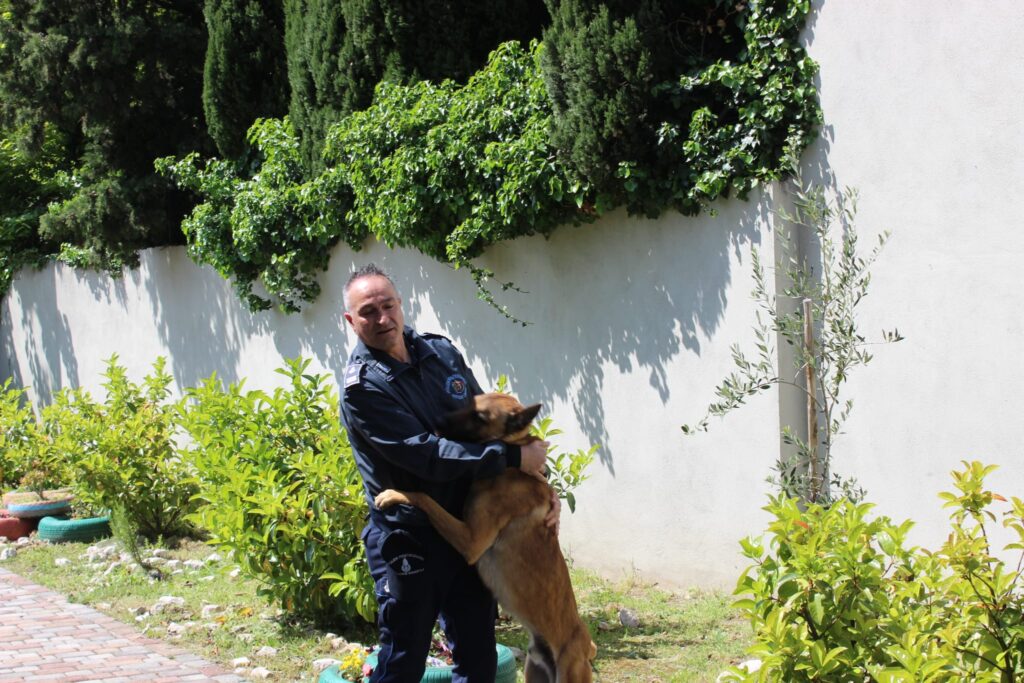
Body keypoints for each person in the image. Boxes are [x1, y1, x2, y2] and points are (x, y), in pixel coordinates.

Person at [339, 263, 555, 683]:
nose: (382, 318)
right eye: (368, 312)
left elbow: (489, 420)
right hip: (411, 538)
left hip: (467, 531)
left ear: (402, 305)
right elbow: (427, 455)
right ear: (351, 321)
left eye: (388, 305)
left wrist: (542, 486)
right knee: (404, 660)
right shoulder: (363, 388)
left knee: (478, 659)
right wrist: (512, 461)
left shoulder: (441, 352)